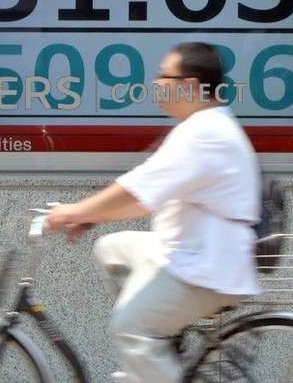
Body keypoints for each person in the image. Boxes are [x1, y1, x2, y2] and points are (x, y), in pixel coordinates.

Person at [46, 42, 261, 382]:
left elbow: (138, 190)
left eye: (164, 76)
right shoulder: (202, 126)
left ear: (189, 85)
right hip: (187, 251)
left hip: (205, 266)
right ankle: (158, 354)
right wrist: (90, 216)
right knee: (111, 249)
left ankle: (151, 356)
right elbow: (144, 196)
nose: (156, 83)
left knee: (130, 329)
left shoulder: (204, 133)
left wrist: (74, 211)